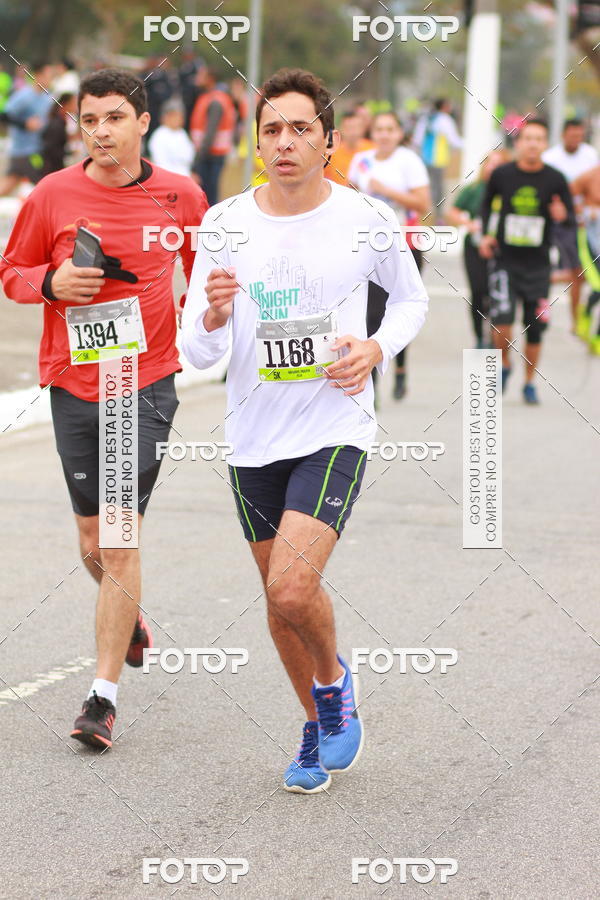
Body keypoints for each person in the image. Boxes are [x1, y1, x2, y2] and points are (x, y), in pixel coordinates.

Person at [181, 67, 428, 793]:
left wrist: (376, 347)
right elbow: (198, 352)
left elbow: (410, 303)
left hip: (334, 424)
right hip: (252, 437)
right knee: (277, 603)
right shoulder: (225, 224)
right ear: (258, 144)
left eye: (299, 129)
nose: (283, 142)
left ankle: (333, 686)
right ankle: (315, 724)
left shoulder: (366, 217)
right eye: (271, 131)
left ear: (330, 142)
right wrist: (214, 317)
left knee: (293, 589)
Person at [0, 68, 208, 749]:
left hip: (142, 380)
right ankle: (131, 618)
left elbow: (206, 282)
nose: (101, 132)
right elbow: (12, 274)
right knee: (93, 543)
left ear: (143, 122)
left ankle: (102, 698)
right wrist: (51, 282)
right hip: (72, 382)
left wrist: (200, 326)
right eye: (89, 120)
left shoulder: (180, 195)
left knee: (118, 538)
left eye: (115, 117)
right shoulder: (53, 194)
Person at [479, 118, 575, 404]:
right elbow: (486, 206)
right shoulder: (503, 175)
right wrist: (486, 235)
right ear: (518, 143)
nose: (533, 144)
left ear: (546, 144)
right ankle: (505, 364)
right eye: (528, 138)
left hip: (538, 265)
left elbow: (570, 219)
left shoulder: (556, 178)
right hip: (505, 260)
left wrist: (563, 216)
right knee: (502, 323)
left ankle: (530, 382)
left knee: (535, 327)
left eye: (539, 139)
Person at [348, 111, 430, 400]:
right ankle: (372, 381)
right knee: (371, 314)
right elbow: (350, 198)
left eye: (390, 129)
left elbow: (423, 203)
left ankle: (401, 370)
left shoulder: (409, 161)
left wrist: (387, 192)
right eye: (379, 129)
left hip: (405, 244)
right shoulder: (362, 161)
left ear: (398, 133)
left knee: (399, 309)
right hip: (369, 246)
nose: (384, 134)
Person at [447, 151, 506, 348]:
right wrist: (468, 223)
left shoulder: (507, 190)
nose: (492, 168)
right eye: (489, 163)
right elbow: (452, 211)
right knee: (478, 291)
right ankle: (479, 335)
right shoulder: (474, 189)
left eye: (498, 164)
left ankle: (493, 333)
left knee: (496, 292)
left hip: (501, 250)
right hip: (474, 247)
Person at [0, 62, 54, 196]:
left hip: (36, 149)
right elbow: (4, 116)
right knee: (44, 186)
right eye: (48, 75)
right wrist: (25, 124)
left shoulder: (47, 97)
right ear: (38, 76)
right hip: (24, 151)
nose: (51, 79)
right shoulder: (24, 95)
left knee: (11, 182)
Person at [189, 67, 236, 206]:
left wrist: (196, 162)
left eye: (201, 76)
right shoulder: (210, 97)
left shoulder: (215, 101)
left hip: (210, 156)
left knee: (208, 198)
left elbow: (210, 133)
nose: (197, 79)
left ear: (210, 79)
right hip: (210, 155)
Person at [413, 98, 462, 221]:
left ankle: (424, 212)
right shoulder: (445, 120)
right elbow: (454, 140)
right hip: (439, 160)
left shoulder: (425, 119)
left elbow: (417, 140)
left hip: (424, 159)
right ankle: (438, 216)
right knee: (438, 187)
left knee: (425, 186)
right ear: (444, 106)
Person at [570, 164, 600, 353]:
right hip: (592, 242)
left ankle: (597, 338)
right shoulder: (591, 175)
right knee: (598, 288)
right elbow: (566, 195)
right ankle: (587, 312)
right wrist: (582, 212)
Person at [325, 109, 373, 186]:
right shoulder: (331, 154)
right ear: (340, 129)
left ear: (363, 129)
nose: (352, 132)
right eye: (348, 128)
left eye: (355, 127)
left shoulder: (373, 149)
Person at [148, 99, 195, 176]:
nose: (178, 119)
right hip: (168, 178)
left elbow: (189, 158)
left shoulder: (182, 133)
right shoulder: (159, 135)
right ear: (165, 117)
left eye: (180, 116)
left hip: (185, 176)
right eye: (174, 115)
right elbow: (160, 163)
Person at [40, 93, 78, 177]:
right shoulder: (56, 124)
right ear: (65, 105)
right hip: (51, 169)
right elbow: (52, 149)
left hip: (55, 167)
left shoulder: (61, 122)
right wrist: (69, 153)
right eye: (74, 103)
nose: (76, 106)